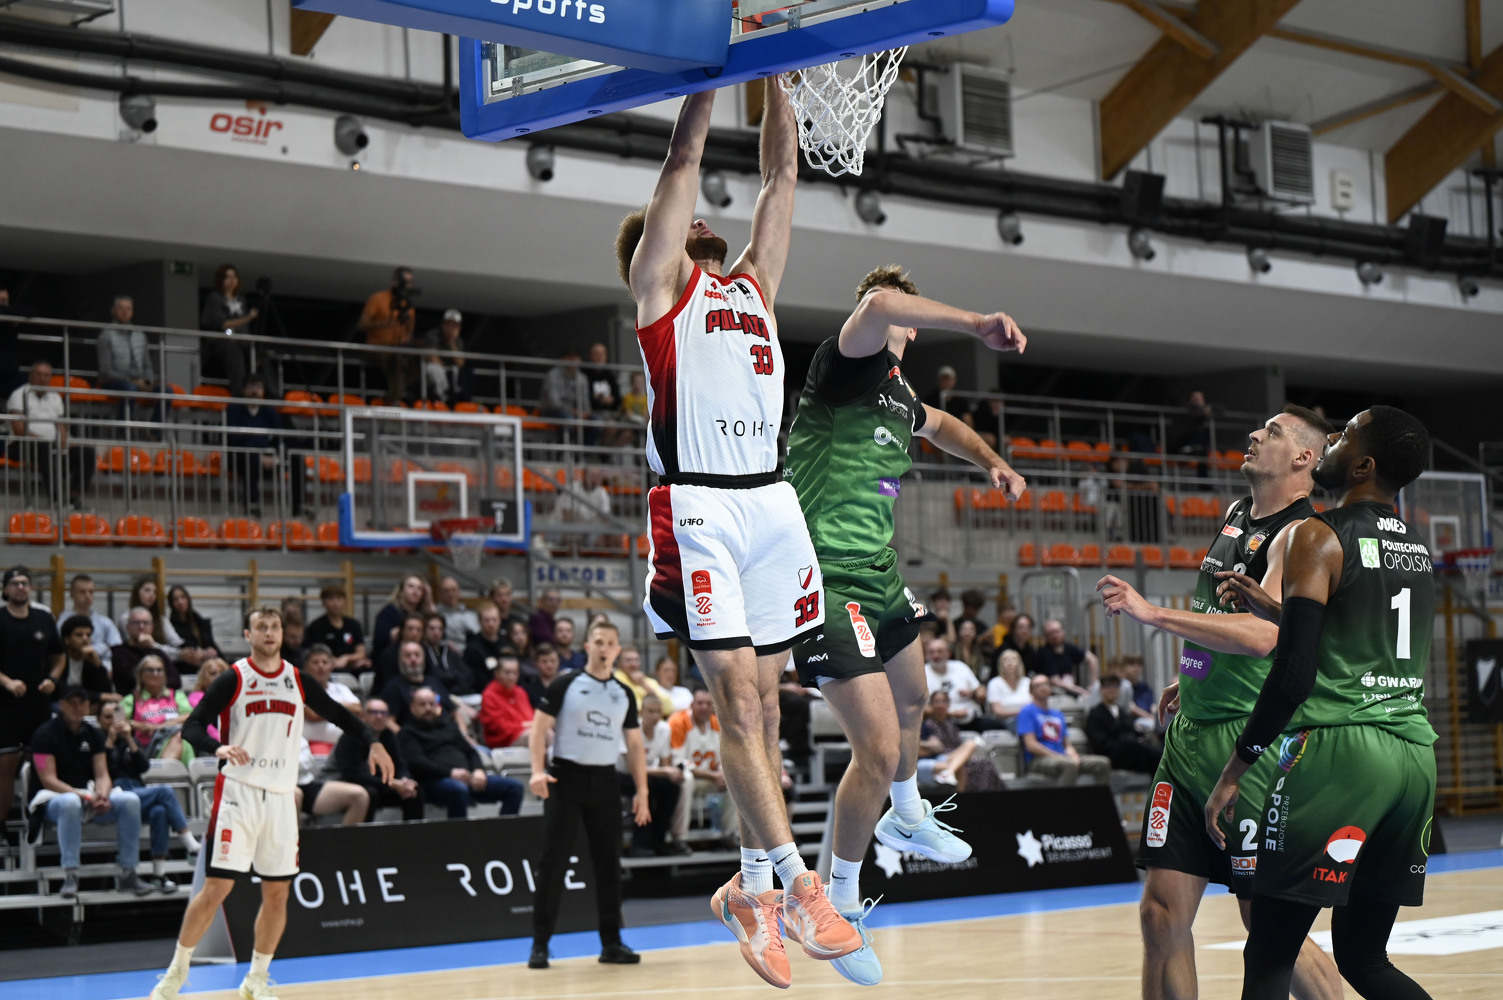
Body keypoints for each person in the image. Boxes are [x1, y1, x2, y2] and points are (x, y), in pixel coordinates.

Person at [616, 82, 863, 983]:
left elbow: (780, 175)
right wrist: (708, 76)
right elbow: (683, 158)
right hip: (699, 508)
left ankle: (750, 889)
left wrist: (781, 75)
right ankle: (799, 886)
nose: (700, 220)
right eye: (681, 223)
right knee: (735, 702)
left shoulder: (754, 287)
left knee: (766, 704)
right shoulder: (660, 293)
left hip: (770, 504)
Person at [1096, 405, 1341, 1000]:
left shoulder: (1303, 533)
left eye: (1273, 432)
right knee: (1160, 914)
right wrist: (1194, 676)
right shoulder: (1236, 514)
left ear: (1304, 457)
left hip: (1252, 747)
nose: (1255, 434)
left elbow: (1262, 636)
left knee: (1266, 923)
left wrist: (1151, 613)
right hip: (1189, 737)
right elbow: (1217, 614)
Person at [1204, 407, 1437, 1000]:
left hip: (1342, 754)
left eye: (1344, 436)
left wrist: (1235, 769)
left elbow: (1293, 673)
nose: (1332, 441)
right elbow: (1356, 636)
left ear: (1362, 466)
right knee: (1364, 958)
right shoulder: (1416, 549)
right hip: (1413, 756)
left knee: (1268, 956)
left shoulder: (1316, 533)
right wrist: (1277, 610)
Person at [149, 606, 393, 1000]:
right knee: (216, 888)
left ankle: (256, 979)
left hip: (281, 797)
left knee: (277, 893)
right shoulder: (234, 677)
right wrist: (217, 746)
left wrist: (374, 741)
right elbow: (192, 726)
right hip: (239, 793)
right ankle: (177, 972)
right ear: (248, 635)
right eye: (261, 627)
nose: (269, 632)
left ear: (281, 633)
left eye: (275, 626)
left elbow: (338, 714)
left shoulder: (297, 679)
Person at [527, 620, 649, 968]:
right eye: (598, 641)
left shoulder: (624, 693)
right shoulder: (566, 683)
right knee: (553, 863)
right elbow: (538, 729)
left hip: (605, 781)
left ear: (617, 650)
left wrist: (642, 790)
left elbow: (635, 745)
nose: (604, 647)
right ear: (587, 646)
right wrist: (537, 770)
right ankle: (540, 944)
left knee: (609, 864)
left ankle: (611, 943)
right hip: (565, 779)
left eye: (610, 642)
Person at [29, 685, 151, 898]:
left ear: (88, 706)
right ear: (62, 705)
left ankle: (129, 872)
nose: (77, 708)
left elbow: (102, 774)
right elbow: (48, 780)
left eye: (82, 703)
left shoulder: (94, 734)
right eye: (72, 703)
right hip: (52, 799)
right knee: (70, 803)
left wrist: (102, 795)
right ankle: (71, 874)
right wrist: (84, 796)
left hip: (89, 795)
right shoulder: (43, 734)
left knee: (130, 800)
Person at [98, 700, 199, 892]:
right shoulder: (97, 739)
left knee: (159, 811)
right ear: (99, 720)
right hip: (114, 793)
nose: (113, 721)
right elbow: (104, 770)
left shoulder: (128, 737)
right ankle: (190, 843)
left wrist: (129, 740)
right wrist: (109, 741)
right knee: (164, 791)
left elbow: (143, 767)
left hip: (136, 789)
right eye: (107, 717)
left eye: (116, 716)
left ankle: (159, 875)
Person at [0, 566, 65, 829]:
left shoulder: (43, 618)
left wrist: (53, 679)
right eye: (15, 583)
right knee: (6, 765)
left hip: (38, 706)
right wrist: (7, 682)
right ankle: (2, 826)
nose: (20, 587)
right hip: (5, 707)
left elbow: (59, 656)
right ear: (5, 589)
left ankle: (36, 822)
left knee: (38, 764)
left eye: (25, 582)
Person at [400, 686, 522, 819]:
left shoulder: (449, 726)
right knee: (458, 790)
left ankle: (503, 831)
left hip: (468, 778)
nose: (428, 708)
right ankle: (459, 832)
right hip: (435, 782)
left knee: (514, 787)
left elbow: (471, 752)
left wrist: (478, 770)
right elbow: (418, 763)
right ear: (413, 708)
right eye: (422, 704)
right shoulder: (408, 732)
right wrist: (450, 773)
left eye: (431, 704)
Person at [7, 360, 94, 508]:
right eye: (39, 374)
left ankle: (74, 498)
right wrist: (48, 442)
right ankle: (56, 500)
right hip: (21, 445)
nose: (42, 379)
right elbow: (19, 430)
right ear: (31, 376)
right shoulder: (19, 395)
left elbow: (61, 427)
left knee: (86, 453)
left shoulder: (55, 397)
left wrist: (63, 444)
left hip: (52, 445)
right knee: (46, 449)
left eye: (46, 375)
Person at [668, 685, 739, 843]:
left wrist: (721, 773)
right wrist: (714, 775)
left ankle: (730, 833)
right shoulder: (678, 722)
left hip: (709, 777)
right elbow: (679, 762)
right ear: (692, 705)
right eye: (700, 703)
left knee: (734, 779)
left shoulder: (717, 723)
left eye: (708, 703)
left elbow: (723, 757)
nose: (704, 707)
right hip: (683, 777)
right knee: (686, 779)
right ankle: (679, 836)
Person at [333, 698, 423, 822]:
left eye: (383, 713)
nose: (379, 716)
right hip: (346, 785)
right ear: (363, 715)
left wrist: (405, 781)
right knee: (369, 793)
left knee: (413, 792)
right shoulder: (350, 736)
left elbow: (400, 764)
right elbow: (353, 774)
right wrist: (392, 784)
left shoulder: (388, 736)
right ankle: (366, 834)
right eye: (373, 712)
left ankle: (413, 833)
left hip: (380, 784)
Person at [227, 374, 302, 518]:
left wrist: (276, 456)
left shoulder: (269, 411)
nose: (255, 391)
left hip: (269, 459)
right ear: (243, 390)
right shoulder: (234, 410)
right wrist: (260, 457)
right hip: (240, 459)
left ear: (263, 391)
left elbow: (279, 437)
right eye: (251, 387)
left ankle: (299, 506)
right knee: (251, 458)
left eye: (259, 387)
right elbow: (235, 439)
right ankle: (251, 504)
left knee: (296, 459)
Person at [1017, 675, 1111, 786]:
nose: (1042, 688)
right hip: (1038, 760)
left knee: (1103, 763)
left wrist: (1074, 755)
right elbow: (1031, 745)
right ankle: (1065, 797)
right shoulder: (1027, 712)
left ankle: (1100, 796)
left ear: (1050, 688)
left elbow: (1066, 744)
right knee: (1069, 765)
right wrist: (1056, 756)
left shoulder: (1057, 714)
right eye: (1037, 686)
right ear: (1031, 691)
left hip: (1062, 756)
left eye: (1045, 684)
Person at [629, 693, 689, 856]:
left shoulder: (664, 729)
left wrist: (670, 773)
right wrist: (664, 771)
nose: (655, 716)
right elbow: (632, 767)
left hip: (650, 773)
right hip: (625, 774)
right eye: (651, 711)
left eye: (658, 712)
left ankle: (659, 840)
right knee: (646, 787)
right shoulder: (632, 729)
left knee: (671, 785)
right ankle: (639, 845)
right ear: (641, 712)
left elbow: (664, 764)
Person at [916, 691, 1001, 792]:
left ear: (948, 704)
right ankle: (949, 775)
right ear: (931, 705)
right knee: (969, 764)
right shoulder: (927, 724)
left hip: (954, 756)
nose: (940, 705)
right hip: (939, 757)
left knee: (976, 752)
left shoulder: (951, 725)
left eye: (943, 701)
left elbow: (953, 746)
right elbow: (934, 748)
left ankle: (948, 773)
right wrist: (929, 745)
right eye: (937, 702)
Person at [96, 295, 162, 422]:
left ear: (132, 312)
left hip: (138, 381)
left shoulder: (140, 335)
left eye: (128, 309)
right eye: (121, 308)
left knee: (166, 392)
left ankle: (156, 431)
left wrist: (148, 381)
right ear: (113, 311)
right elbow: (106, 371)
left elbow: (147, 365)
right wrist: (132, 381)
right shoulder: (106, 335)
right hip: (114, 382)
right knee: (129, 389)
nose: (125, 312)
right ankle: (124, 431)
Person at [359, 266, 419, 403]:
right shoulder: (378, 298)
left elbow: (410, 333)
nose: (407, 285)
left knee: (419, 361)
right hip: (379, 347)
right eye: (404, 281)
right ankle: (392, 401)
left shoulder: (408, 305)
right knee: (398, 361)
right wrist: (384, 324)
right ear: (395, 281)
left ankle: (394, 395)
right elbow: (362, 324)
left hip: (400, 348)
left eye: (410, 282)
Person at [120, 654, 194, 762]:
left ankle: (165, 769)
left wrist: (158, 726)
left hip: (176, 738)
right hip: (147, 747)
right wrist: (134, 724)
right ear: (141, 674)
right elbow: (117, 721)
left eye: (159, 670)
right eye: (150, 670)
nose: (155, 674)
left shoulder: (176, 695)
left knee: (180, 736)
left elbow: (189, 716)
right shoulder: (131, 699)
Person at [199, 263, 258, 395]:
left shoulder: (241, 300)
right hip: (219, 342)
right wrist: (248, 318)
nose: (232, 280)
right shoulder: (215, 298)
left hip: (240, 341)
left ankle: (270, 393)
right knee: (233, 352)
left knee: (260, 353)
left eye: (234, 276)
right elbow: (223, 324)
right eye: (228, 277)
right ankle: (239, 392)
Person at [1086, 675, 1162, 773]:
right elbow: (1099, 742)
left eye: (1115, 686)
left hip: (1131, 751)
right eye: (1108, 686)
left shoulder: (1121, 712)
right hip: (1112, 754)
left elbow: (1132, 730)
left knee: (1155, 756)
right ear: (1101, 689)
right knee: (1147, 753)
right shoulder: (1095, 714)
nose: (1111, 690)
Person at [295, 737, 371, 827]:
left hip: (305, 782)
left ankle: (348, 836)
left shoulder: (295, 734)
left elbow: (307, 761)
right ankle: (295, 836)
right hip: (285, 787)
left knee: (359, 796)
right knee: (295, 796)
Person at [381, 640, 458, 726]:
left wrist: (463, 732)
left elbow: (454, 712)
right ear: (400, 660)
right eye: (408, 655)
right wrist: (402, 734)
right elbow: (389, 721)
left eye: (417, 655)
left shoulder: (435, 682)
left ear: (423, 658)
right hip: (413, 732)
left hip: (444, 730)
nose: (413, 659)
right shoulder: (393, 687)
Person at [301, 645, 361, 753]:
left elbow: (358, 708)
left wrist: (326, 707)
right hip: (313, 744)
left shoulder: (341, 688)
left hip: (345, 743)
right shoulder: (301, 690)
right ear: (306, 667)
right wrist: (345, 709)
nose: (321, 666)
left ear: (331, 666)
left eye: (325, 662)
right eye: (315, 662)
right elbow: (313, 715)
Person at [119, 577, 188, 665]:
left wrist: (187, 652)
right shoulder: (126, 618)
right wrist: (179, 654)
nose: (152, 595)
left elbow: (176, 642)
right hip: (134, 661)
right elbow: (142, 645)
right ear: (137, 593)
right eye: (147, 590)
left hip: (162, 662)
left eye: (155, 592)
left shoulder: (161, 619)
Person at [304, 584, 370, 674]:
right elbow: (316, 653)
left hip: (351, 665)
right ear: (324, 603)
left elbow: (361, 652)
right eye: (331, 599)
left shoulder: (354, 625)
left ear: (345, 601)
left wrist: (347, 659)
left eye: (339, 599)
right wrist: (336, 661)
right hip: (329, 667)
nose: (336, 603)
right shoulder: (316, 626)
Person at [112, 606, 179, 695]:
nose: (141, 627)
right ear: (128, 627)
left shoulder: (158, 652)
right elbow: (132, 680)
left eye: (146, 623)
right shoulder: (120, 652)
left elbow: (176, 681)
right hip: (132, 699)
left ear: (152, 627)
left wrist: (151, 648)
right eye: (136, 623)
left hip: (160, 700)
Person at [62, 574, 121, 674]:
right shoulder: (63, 621)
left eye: (91, 592)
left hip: (104, 669)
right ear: (72, 594)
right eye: (82, 592)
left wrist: (96, 650)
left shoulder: (105, 622)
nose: (87, 595)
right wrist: (103, 646)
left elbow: (117, 649)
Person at [59, 614, 118, 708]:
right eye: (79, 635)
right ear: (67, 639)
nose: (85, 639)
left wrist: (98, 665)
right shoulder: (58, 658)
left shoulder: (90, 658)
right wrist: (99, 696)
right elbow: (60, 691)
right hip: (61, 704)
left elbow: (106, 690)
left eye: (88, 635)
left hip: (86, 704)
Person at [922, 637, 984, 723]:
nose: (936, 655)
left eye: (940, 651)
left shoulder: (960, 666)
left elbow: (980, 691)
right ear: (926, 655)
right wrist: (949, 714)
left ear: (948, 653)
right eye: (932, 652)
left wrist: (973, 695)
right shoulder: (921, 673)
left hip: (971, 717)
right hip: (940, 722)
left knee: (997, 726)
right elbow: (919, 708)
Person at [479, 654, 534, 748]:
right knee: (537, 734)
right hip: (505, 741)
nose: (511, 677)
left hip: (525, 732)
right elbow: (499, 728)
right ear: (497, 673)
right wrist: (524, 725)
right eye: (507, 673)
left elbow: (530, 717)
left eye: (515, 673)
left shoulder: (520, 692)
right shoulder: (489, 695)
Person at [373, 574, 432, 660]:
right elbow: (380, 642)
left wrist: (429, 602)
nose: (415, 591)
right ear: (401, 590)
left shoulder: (423, 614)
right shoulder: (388, 612)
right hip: (391, 658)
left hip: (419, 658)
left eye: (419, 588)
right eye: (411, 586)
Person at [421, 308, 472, 404]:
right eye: (448, 324)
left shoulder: (458, 341)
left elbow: (460, 363)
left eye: (454, 326)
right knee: (434, 369)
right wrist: (443, 365)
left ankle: (455, 398)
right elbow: (432, 357)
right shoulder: (433, 334)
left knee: (462, 371)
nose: (450, 328)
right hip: (435, 368)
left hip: (449, 370)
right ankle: (440, 398)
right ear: (442, 325)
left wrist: (451, 341)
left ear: (459, 328)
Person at [539, 348, 591, 439]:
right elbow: (554, 402)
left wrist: (586, 412)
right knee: (568, 419)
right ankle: (563, 447)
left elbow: (584, 399)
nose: (573, 361)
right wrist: (573, 411)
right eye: (570, 357)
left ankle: (587, 448)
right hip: (551, 411)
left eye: (576, 357)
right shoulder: (553, 375)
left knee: (595, 421)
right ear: (562, 359)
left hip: (575, 412)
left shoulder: (582, 378)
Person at [1036, 619, 1096, 697]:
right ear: (1045, 636)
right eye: (1050, 633)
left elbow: (1092, 659)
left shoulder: (1068, 647)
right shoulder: (1044, 654)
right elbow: (1055, 681)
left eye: (1057, 631)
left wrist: (1093, 685)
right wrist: (1081, 691)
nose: (1055, 635)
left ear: (1063, 631)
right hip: (1053, 693)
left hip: (1070, 688)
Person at [166, 586, 220, 668]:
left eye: (182, 597)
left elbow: (211, 644)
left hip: (207, 661)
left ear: (188, 599)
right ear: (171, 604)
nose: (180, 602)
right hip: (187, 665)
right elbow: (184, 647)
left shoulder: (200, 621)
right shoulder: (171, 626)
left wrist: (213, 650)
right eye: (175, 600)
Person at [464, 603, 510, 692]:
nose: (491, 624)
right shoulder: (472, 649)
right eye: (487, 620)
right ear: (480, 621)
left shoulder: (506, 644)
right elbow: (476, 679)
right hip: (486, 691)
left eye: (494, 620)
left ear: (500, 620)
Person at [434, 576, 480, 653]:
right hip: (444, 653)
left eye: (453, 590)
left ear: (459, 591)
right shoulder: (435, 615)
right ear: (439, 594)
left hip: (470, 653)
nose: (450, 594)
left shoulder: (471, 615)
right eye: (446, 591)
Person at [985, 648, 1031, 721]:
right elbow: (997, 711)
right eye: (1005, 660)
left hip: (1028, 719)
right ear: (1001, 664)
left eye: (1014, 659)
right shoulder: (994, 683)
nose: (1010, 663)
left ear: (1019, 664)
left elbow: (1036, 704)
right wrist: (1022, 712)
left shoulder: (1027, 682)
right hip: (1004, 722)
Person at [519, 642, 560, 709]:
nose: (549, 665)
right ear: (536, 663)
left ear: (558, 661)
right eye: (544, 661)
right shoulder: (529, 688)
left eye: (553, 661)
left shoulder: (566, 685)